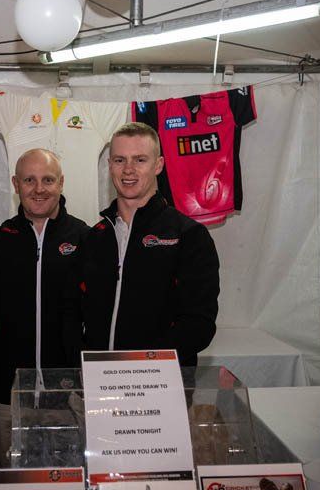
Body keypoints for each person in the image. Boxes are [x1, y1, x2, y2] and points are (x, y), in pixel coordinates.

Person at [65, 122, 220, 366]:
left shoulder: (190, 236)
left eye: (139, 160)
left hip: (160, 386)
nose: (128, 170)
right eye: (119, 160)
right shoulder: (93, 238)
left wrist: (143, 367)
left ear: (158, 165)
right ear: (109, 166)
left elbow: (199, 323)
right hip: (100, 385)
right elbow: (72, 314)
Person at [0, 149, 89, 467]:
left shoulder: (85, 238)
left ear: (61, 183)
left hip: (67, 395)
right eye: (29, 180)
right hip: (8, 395)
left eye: (48, 180)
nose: (39, 189)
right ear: (16, 184)